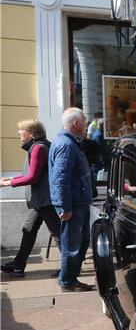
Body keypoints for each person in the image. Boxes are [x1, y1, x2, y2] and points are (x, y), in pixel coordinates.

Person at [0, 120, 62, 277]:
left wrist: (10, 183)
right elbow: (31, 174)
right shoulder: (38, 147)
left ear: (31, 133)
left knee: (58, 234)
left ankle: (69, 267)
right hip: (40, 200)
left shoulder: (38, 148)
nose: (18, 133)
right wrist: (10, 180)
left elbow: (33, 177)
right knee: (28, 230)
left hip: (45, 200)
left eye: (21, 130)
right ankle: (18, 266)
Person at [49, 108, 94, 292]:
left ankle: (69, 278)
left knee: (81, 242)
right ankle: (68, 281)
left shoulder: (70, 142)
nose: (86, 124)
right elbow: (60, 178)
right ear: (76, 123)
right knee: (72, 245)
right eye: (84, 120)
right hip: (73, 204)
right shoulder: (66, 145)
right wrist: (64, 207)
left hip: (78, 201)